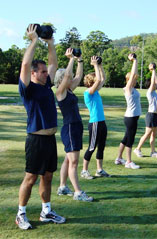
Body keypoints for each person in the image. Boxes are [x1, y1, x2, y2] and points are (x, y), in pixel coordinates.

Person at [17, 24, 65, 230]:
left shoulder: (46, 85)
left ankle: (46, 211)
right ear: (34, 73)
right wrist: (34, 41)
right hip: (35, 139)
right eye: (43, 72)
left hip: (49, 139)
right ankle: (21, 214)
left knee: (47, 175)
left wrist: (51, 44)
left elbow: (53, 63)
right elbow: (26, 64)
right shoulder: (27, 88)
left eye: (47, 71)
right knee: (31, 177)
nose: (48, 74)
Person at [55, 48, 93, 202]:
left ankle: (63, 187)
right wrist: (70, 58)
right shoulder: (60, 91)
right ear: (63, 79)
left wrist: (80, 60)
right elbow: (68, 76)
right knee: (74, 161)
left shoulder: (69, 90)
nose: (70, 78)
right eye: (67, 77)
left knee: (68, 159)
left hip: (75, 126)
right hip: (70, 127)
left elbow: (78, 76)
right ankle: (78, 192)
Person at [81, 56, 110, 179]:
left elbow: (102, 79)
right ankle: (84, 171)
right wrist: (94, 65)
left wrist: (100, 65)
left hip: (101, 122)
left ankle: (99, 170)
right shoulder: (88, 93)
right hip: (95, 123)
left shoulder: (96, 91)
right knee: (92, 147)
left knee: (101, 147)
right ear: (91, 82)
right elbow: (98, 80)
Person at [115, 53, 141, 169]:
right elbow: (133, 74)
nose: (135, 80)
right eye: (134, 79)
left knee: (126, 138)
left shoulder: (133, 89)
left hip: (132, 117)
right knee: (130, 139)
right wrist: (134, 61)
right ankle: (129, 162)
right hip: (131, 118)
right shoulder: (128, 89)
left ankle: (119, 158)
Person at [133, 63, 157, 158]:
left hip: (155, 115)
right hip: (151, 115)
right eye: (153, 84)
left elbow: (155, 81)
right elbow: (154, 82)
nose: (155, 84)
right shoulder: (149, 92)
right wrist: (153, 71)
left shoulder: (154, 92)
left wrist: (154, 71)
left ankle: (153, 151)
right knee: (147, 133)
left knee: (154, 135)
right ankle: (137, 149)